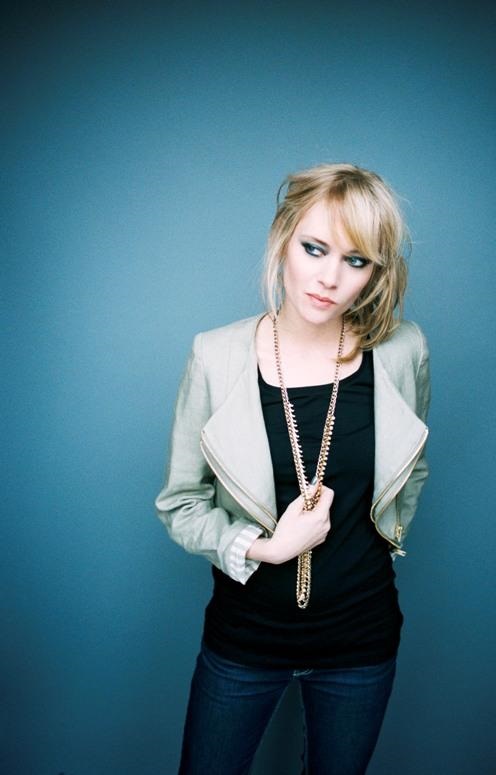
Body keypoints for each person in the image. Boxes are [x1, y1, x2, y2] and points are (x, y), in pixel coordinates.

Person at [155, 163, 430, 775]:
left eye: (356, 261)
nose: (330, 278)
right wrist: (266, 548)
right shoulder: (215, 355)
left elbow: (411, 470)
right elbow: (181, 502)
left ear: (375, 273)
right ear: (283, 239)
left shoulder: (402, 351)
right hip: (245, 639)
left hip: (361, 641)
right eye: (315, 248)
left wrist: (380, 543)